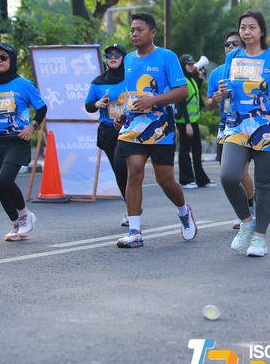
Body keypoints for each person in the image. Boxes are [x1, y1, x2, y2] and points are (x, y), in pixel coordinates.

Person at [114, 13, 197, 248]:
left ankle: (183, 211)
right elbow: (132, 93)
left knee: (165, 180)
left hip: (161, 126)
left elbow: (182, 91)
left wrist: (154, 101)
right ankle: (135, 232)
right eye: (132, 30)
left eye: (139, 30)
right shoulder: (129, 59)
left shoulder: (167, 57)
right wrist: (124, 114)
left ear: (152, 32)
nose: (134, 34)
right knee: (134, 171)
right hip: (133, 125)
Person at [219, 10, 270, 257]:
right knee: (228, 176)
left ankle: (260, 237)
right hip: (237, 125)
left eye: (252, 27)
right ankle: (246, 221)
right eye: (243, 27)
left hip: (268, 126)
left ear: (261, 30)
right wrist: (222, 92)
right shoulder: (233, 57)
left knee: (264, 184)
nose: (246, 32)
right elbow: (227, 91)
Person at [0, 42, 47, 242]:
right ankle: (16, 224)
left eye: (3, 57)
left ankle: (26, 216)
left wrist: (32, 126)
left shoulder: (23, 84)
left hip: (17, 141)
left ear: (11, 59)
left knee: (5, 180)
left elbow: (42, 108)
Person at [207, 31, 254, 229]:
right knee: (230, 175)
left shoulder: (252, 68)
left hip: (249, 125)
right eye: (227, 44)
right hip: (226, 126)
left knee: (241, 173)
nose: (231, 47)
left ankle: (249, 210)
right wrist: (214, 99)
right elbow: (210, 102)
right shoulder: (217, 73)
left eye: (235, 43)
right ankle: (245, 212)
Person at [85, 44, 129, 226]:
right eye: (109, 55)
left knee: (123, 166)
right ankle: (131, 207)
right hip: (108, 131)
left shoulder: (131, 78)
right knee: (119, 170)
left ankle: (133, 206)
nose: (113, 58)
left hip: (129, 129)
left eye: (117, 54)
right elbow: (88, 105)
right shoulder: (98, 82)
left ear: (124, 58)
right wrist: (97, 104)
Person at [175, 53, 213, 189]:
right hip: (184, 122)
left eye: (192, 64)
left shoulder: (190, 79)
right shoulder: (181, 81)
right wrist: (187, 124)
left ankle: (201, 179)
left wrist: (201, 78)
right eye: (189, 64)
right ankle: (186, 180)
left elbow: (195, 91)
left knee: (197, 150)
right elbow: (182, 103)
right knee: (185, 150)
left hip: (193, 120)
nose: (191, 66)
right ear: (183, 66)